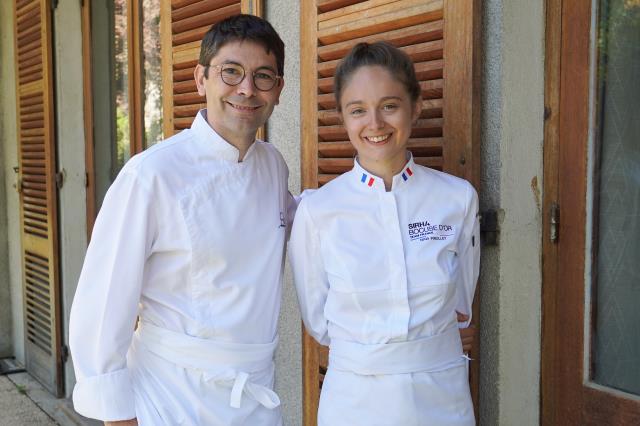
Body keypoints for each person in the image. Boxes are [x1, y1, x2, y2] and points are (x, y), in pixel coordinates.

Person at [69, 15, 288, 425]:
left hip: (255, 393)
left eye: (263, 76)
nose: (246, 89)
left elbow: (300, 220)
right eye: (231, 72)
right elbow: (102, 305)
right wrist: (117, 416)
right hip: (171, 395)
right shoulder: (151, 175)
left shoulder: (273, 165)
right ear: (201, 79)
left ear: (278, 89)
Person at [289, 41, 480, 426]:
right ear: (343, 118)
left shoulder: (457, 198)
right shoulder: (318, 210)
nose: (374, 124)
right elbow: (318, 320)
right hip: (353, 399)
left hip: (442, 395)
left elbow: (462, 301)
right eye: (358, 110)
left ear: (416, 107)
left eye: (389, 106)